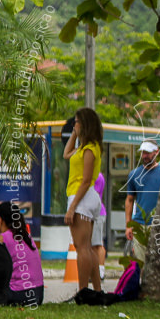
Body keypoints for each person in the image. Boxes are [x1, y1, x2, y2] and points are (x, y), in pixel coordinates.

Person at [64, 107, 103, 296]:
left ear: (85, 124)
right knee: (88, 246)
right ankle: (96, 289)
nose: (74, 125)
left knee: (81, 247)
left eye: (77, 122)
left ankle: (82, 290)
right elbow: (66, 154)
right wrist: (74, 132)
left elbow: (86, 180)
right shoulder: (84, 147)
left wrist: (72, 208)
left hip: (81, 196)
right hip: (85, 197)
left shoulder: (89, 149)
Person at [0, 201, 44, 306]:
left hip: (19, 295)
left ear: (0, 220)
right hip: (38, 295)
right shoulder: (26, 237)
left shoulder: (3, 238)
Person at [92, 172, 107, 281]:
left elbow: (94, 195)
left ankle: (100, 271)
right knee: (92, 244)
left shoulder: (97, 176)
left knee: (97, 244)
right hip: (91, 213)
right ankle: (94, 270)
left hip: (97, 213)